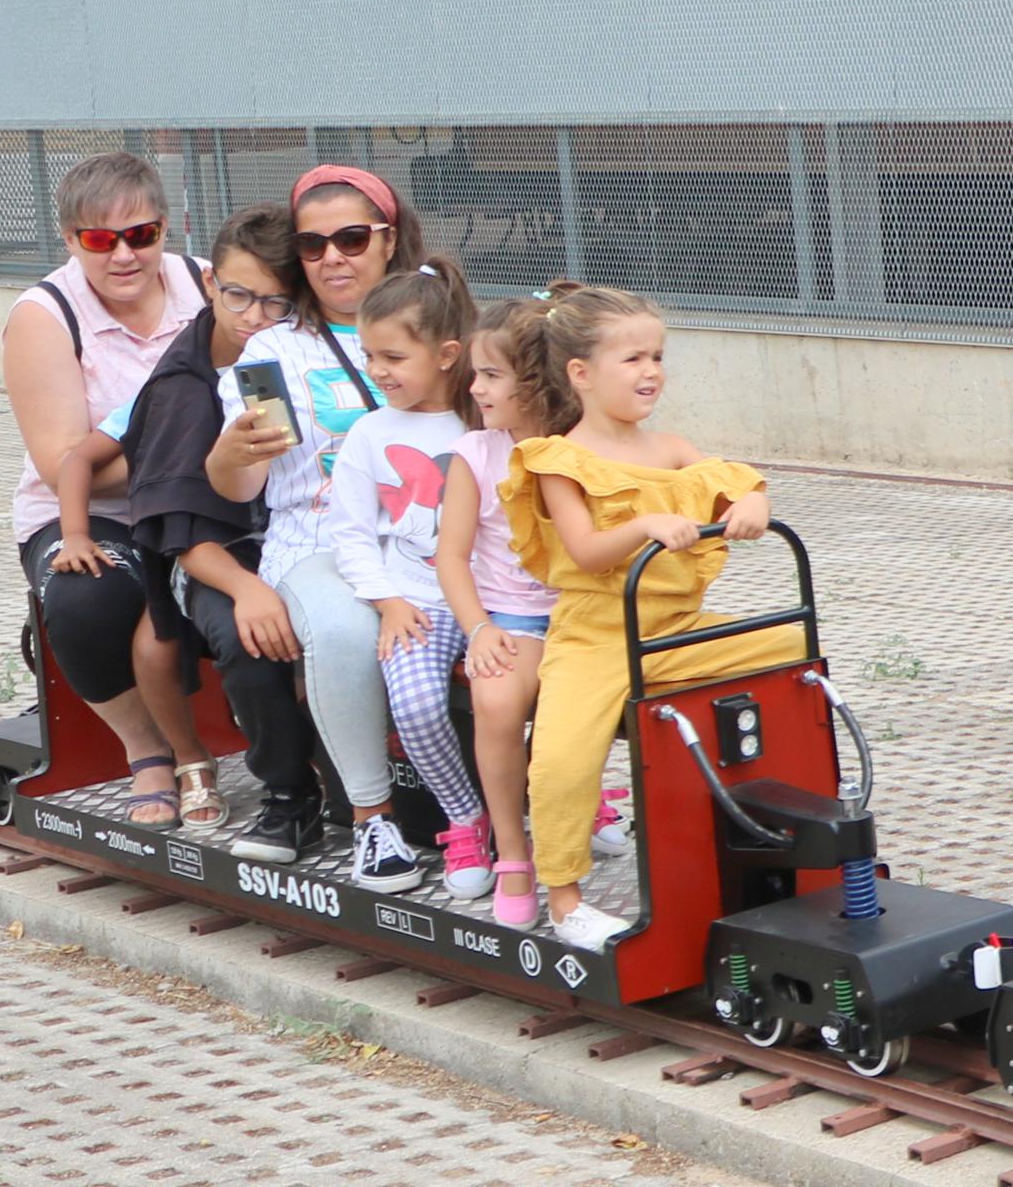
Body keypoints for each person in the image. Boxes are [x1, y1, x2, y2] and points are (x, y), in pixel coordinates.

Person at [499, 284, 809, 953]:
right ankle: (565, 898)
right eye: (633, 359)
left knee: (788, 644)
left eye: (657, 357)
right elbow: (584, 551)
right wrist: (641, 524)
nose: (650, 372)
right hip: (597, 637)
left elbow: (734, 483)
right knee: (559, 759)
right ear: (580, 374)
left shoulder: (669, 447)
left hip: (674, 630)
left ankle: (791, 824)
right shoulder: (560, 460)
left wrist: (752, 501)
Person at [206, 167, 422, 883]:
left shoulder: (441, 323)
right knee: (341, 629)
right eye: (312, 244)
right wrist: (232, 456)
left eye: (352, 238)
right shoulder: (274, 353)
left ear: (389, 241)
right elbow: (248, 476)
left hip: (431, 538)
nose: (333, 257)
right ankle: (373, 820)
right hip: (320, 540)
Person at [3, 150, 211, 825]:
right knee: (86, 599)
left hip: (209, 497)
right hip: (91, 510)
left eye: (141, 234)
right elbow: (65, 459)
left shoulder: (208, 287)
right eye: (99, 239)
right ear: (69, 240)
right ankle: (147, 750)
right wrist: (189, 458)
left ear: (166, 226)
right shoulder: (45, 315)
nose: (123, 255)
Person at [100, 205, 301, 836]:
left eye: (276, 304)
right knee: (198, 637)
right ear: (210, 283)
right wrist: (248, 588)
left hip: (296, 537)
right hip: (205, 551)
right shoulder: (182, 387)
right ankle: (221, 768)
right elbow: (181, 532)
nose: (254, 318)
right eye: (240, 296)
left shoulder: (285, 363)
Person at [325, 262, 515, 898]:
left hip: (500, 603)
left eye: (393, 356)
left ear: (446, 355)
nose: (377, 370)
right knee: (413, 705)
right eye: (367, 354)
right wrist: (387, 600)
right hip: (420, 605)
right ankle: (466, 819)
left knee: (539, 695)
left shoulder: (486, 423)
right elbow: (349, 532)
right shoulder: (368, 433)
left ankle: (564, 803)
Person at [435, 297, 568, 927]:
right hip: (510, 619)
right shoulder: (476, 454)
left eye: (490, 375)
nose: (474, 386)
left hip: (576, 617)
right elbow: (451, 558)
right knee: (495, 699)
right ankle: (513, 854)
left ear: (536, 381)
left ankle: (564, 829)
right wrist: (479, 629)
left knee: (574, 702)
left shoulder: (579, 448)